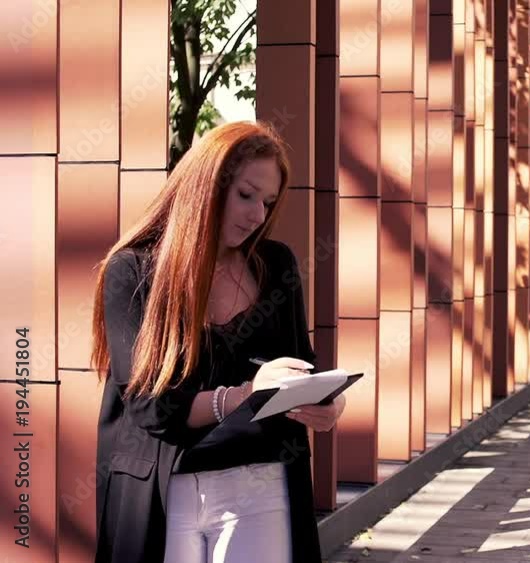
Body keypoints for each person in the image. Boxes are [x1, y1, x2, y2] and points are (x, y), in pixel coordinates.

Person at [89, 121, 347, 563]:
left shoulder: (275, 265)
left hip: (261, 484)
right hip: (163, 490)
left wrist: (326, 405)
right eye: (246, 195)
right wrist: (247, 394)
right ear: (203, 185)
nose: (257, 216)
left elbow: (301, 365)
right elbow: (153, 406)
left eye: (267, 202)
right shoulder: (132, 272)